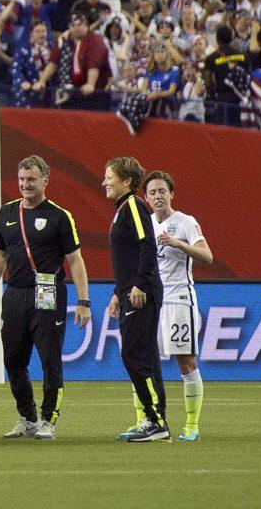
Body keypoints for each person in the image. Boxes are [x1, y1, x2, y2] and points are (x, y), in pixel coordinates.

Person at [0, 155, 90, 440]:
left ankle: (48, 420)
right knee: (13, 359)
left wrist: (84, 301)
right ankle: (27, 417)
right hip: (14, 292)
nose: (25, 185)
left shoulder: (59, 216)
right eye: (21, 179)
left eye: (31, 179)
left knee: (49, 358)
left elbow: (75, 260)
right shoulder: (6, 213)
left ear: (45, 179)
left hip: (47, 289)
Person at [143, 171, 212, 442]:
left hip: (179, 300)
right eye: (152, 192)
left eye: (162, 191)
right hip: (152, 302)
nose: (158, 196)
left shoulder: (186, 222)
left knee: (186, 362)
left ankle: (191, 425)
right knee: (144, 362)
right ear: (146, 198)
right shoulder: (145, 224)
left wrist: (178, 244)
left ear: (172, 193)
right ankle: (145, 421)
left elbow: (207, 256)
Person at [103, 156, 168, 442]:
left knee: (133, 354)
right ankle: (155, 420)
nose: (104, 182)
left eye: (109, 177)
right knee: (146, 356)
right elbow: (127, 258)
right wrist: (118, 293)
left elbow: (147, 246)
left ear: (126, 181)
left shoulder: (133, 206)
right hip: (131, 292)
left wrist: (139, 285)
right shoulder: (122, 210)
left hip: (142, 293)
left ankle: (155, 420)